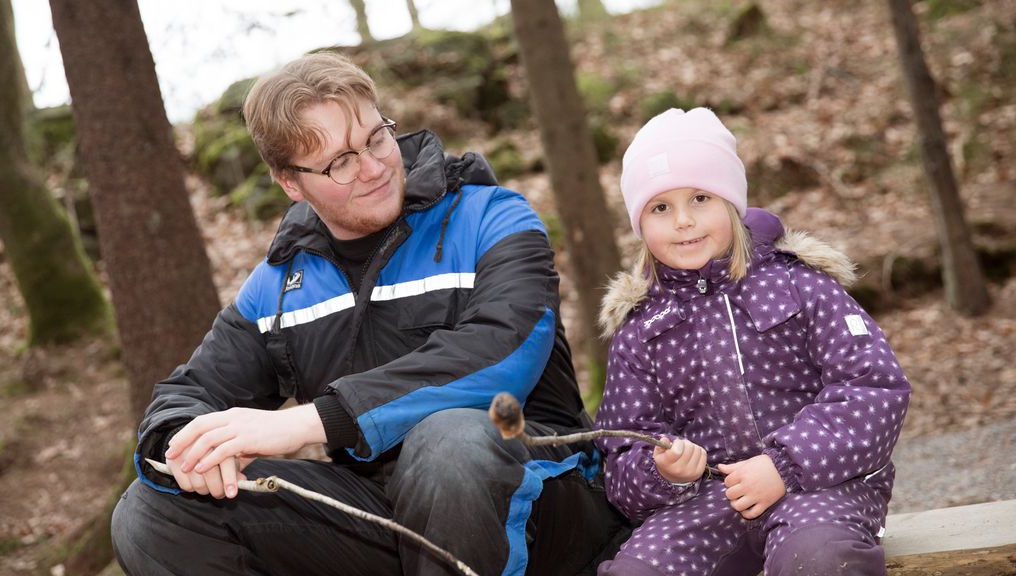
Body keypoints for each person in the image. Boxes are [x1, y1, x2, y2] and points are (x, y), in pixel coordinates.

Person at [110, 51, 626, 576]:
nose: (374, 168)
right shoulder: (280, 286)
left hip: (539, 484)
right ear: (292, 183)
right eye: (339, 162)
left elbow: (502, 349)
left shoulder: (491, 216)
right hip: (383, 512)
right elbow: (189, 391)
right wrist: (189, 446)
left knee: (450, 443)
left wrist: (308, 423)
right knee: (151, 513)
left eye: (376, 138)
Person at [592, 107, 911, 576]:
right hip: (707, 500)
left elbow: (873, 387)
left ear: (731, 202)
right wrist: (662, 473)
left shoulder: (799, 285)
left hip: (821, 484)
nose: (683, 221)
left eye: (700, 197)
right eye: (661, 207)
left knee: (821, 559)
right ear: (641, 225)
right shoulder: (641, 328)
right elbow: (621, 451)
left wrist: (785, 463)